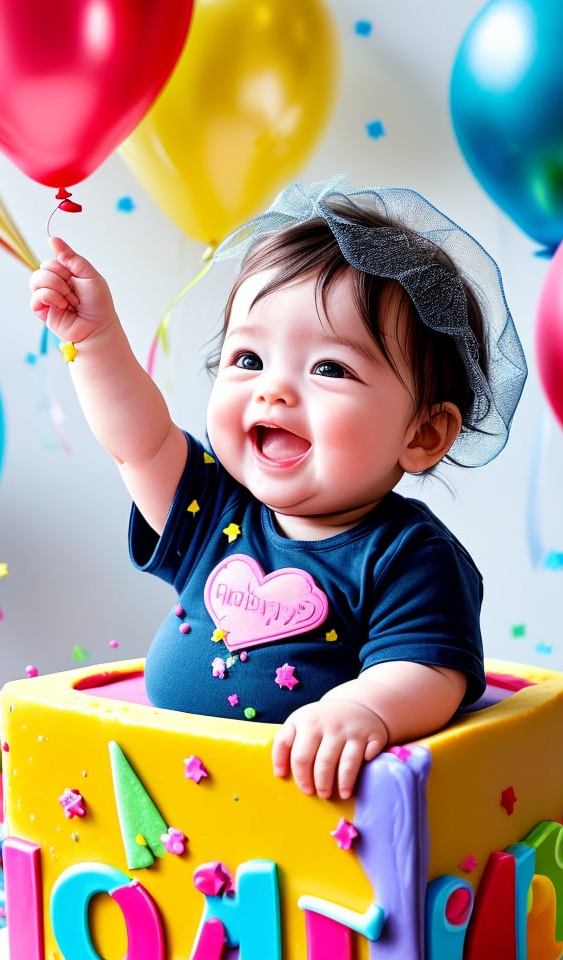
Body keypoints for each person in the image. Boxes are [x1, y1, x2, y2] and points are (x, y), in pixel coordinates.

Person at [29, 178, 527, 801]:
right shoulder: (216, 509)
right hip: (166, 792)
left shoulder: (408, 556)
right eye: (247, 359)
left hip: (306, 811)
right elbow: (141, 440)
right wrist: (96, 341)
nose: (274, 390)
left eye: (328, 369)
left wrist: (365, 709)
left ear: (424, 432)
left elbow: (429, 670)